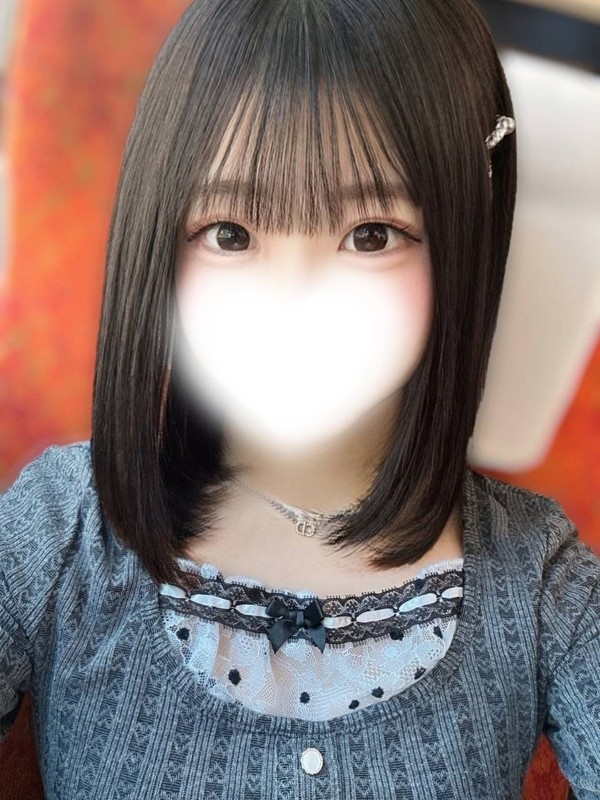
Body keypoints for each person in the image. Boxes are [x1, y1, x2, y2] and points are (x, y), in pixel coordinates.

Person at [1, 0, 598, 797]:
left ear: (463, 241)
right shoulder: (59, 529)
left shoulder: (540, 581)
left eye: (371, 235)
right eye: (231, 234)